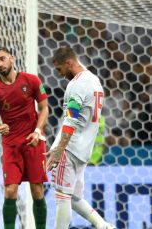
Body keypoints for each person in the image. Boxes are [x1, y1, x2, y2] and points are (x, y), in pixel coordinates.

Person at [46, 46, 114, 229]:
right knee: (74, 197)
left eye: (60, 69)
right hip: (84, 150)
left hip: (69, 147)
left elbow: (70, 120)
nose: (59, 74)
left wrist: (58, 150)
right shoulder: (94, 80)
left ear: (69, 63)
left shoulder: (76, 85)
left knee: (61, 195)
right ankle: (103, 226)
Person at [0, 46, 48, 229]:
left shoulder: (32, 80)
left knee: (37, 191)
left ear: (12, 58)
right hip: (11, 145)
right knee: (10, 191)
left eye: (2, 59)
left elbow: (44, 108)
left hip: (33, 141)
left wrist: (37, 131)